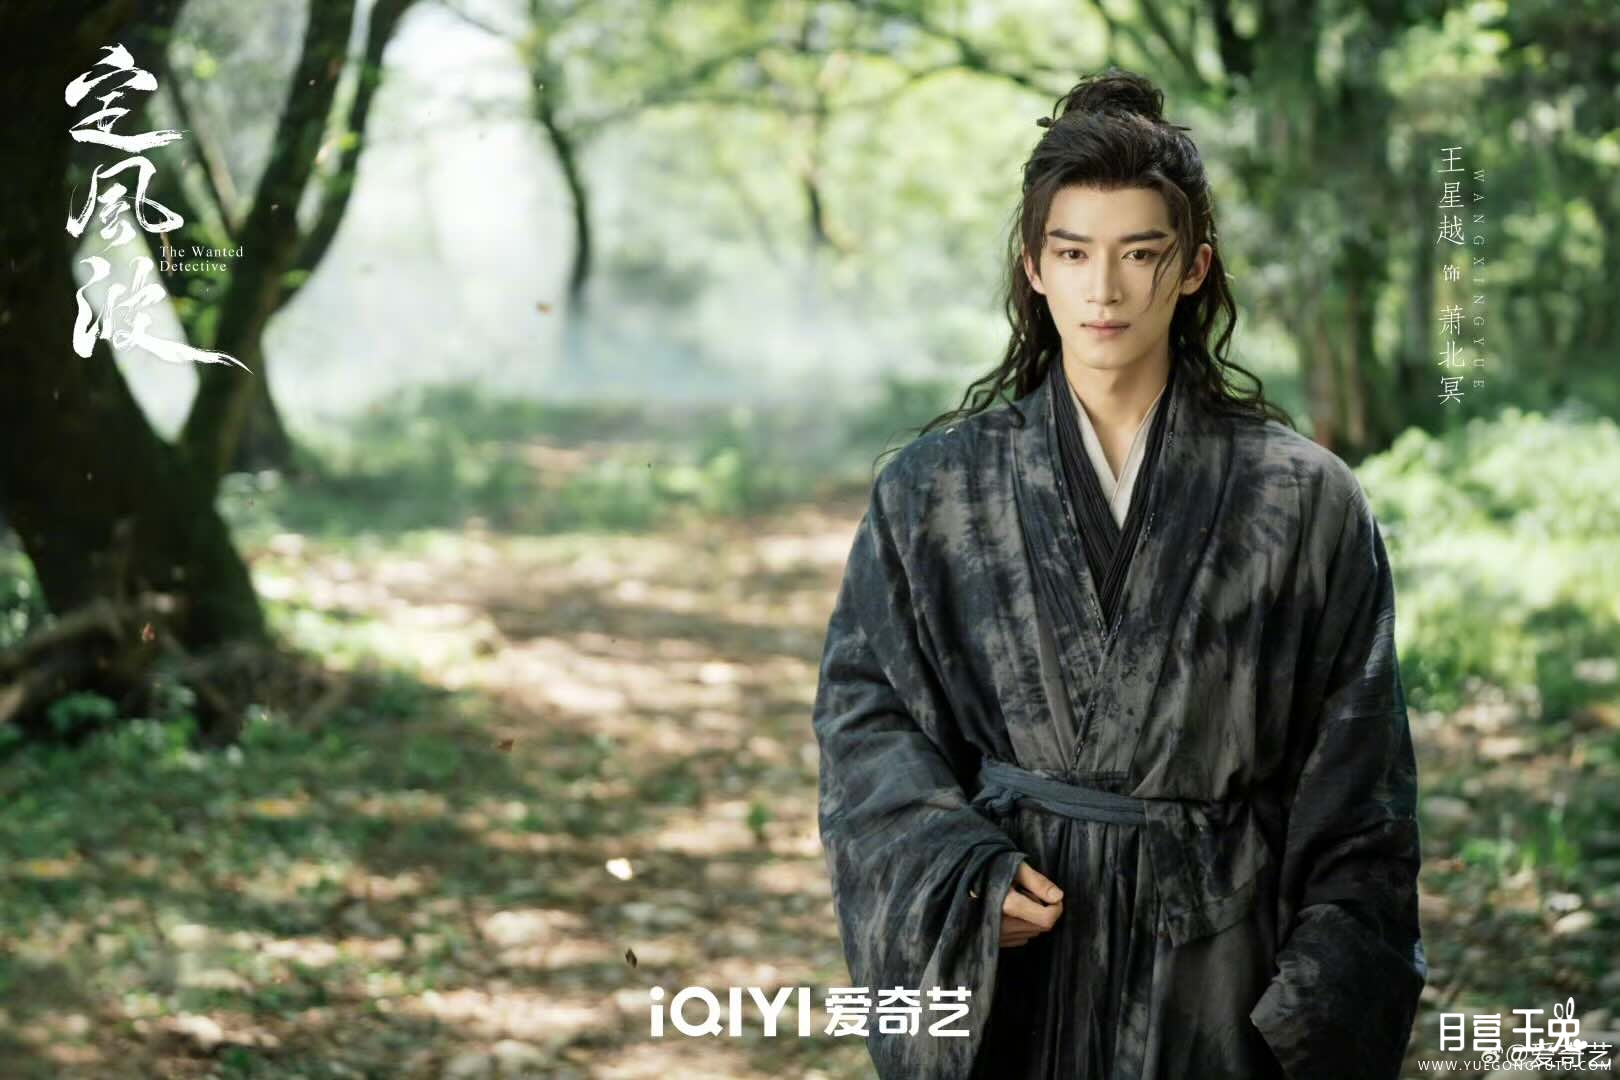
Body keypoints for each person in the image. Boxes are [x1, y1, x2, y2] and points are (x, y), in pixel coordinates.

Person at [809, 68, 1425, 1080]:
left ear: (1193, 269)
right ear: (1034, 268)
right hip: (1020, 959)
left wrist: (1307, 1004)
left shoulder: (1304, 498)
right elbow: (866, 719)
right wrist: (959, 881)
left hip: (1224, 975)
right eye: (1073, 253)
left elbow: (1361, 784)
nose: (1104, 290)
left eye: (1141, 254)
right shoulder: (933, 490)